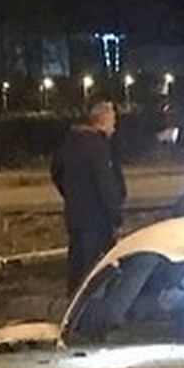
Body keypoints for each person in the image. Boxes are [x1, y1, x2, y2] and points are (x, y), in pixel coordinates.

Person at [50, 99, 126, 295]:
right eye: (113, 121)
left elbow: (56, 172)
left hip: (75, 216)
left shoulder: (71, 142)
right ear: (102, 120)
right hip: (97, 219)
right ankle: (91, 314)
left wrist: (71, 195)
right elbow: (106, 185)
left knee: (76, 264)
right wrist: (116, 215)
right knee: (95, 270)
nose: (115, 127)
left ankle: (73, 306)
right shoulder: (98, 147)